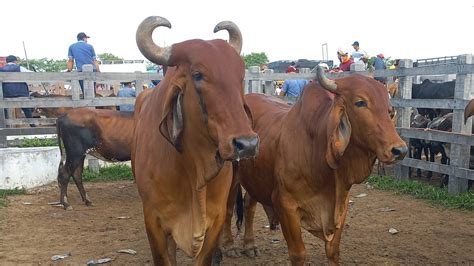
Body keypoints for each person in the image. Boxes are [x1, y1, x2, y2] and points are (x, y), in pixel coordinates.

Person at [0, 55, 35, 123]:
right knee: (26, 108)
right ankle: (32, 124)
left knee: (4, 108)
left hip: (6, 94)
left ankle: (5, 124)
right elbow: (32, 74)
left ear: (6, 62)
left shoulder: (1, 69)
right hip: (21, 93)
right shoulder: (20, 68)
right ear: (15, 61)